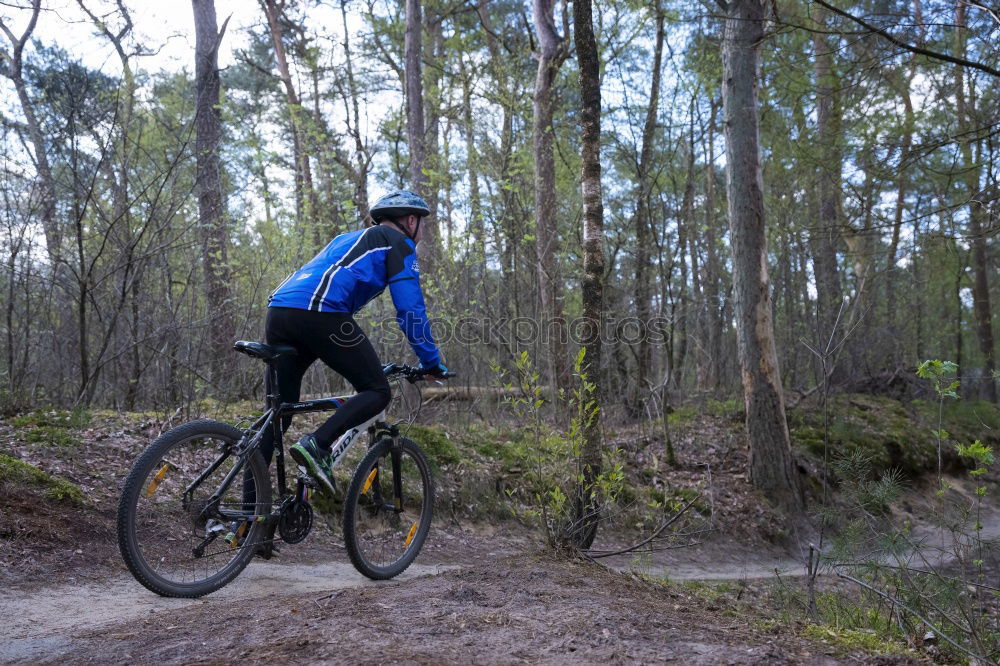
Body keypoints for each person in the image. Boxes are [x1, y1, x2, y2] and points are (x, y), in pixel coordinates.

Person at [262, 189, 448, 495]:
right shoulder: (399, 243)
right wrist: (430, 360)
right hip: (321, 313)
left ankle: (246, 520)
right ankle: (318, 445)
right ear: (411, 221)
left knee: (277, 418)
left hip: (279, 311)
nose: (423, 232)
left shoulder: (347, 238)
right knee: (376, 391)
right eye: (424, 225)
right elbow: (410, 309)